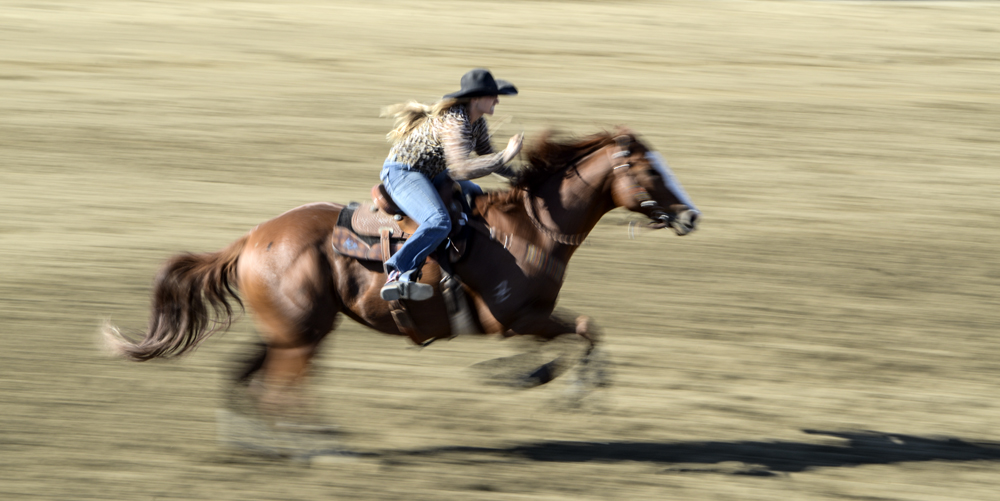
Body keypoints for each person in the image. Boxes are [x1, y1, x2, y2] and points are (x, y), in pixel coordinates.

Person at [378, 69, 523, 301]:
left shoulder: (477, 123)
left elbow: (488, 157)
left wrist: (520, 178)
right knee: (439, 221)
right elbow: (460, 169)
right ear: (475, 98)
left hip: (434, 173)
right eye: (492, 95)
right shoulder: (456, 121)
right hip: (404, 172)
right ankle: (397, 270)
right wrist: (505, 155)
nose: (497, 100)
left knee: (476, 194)